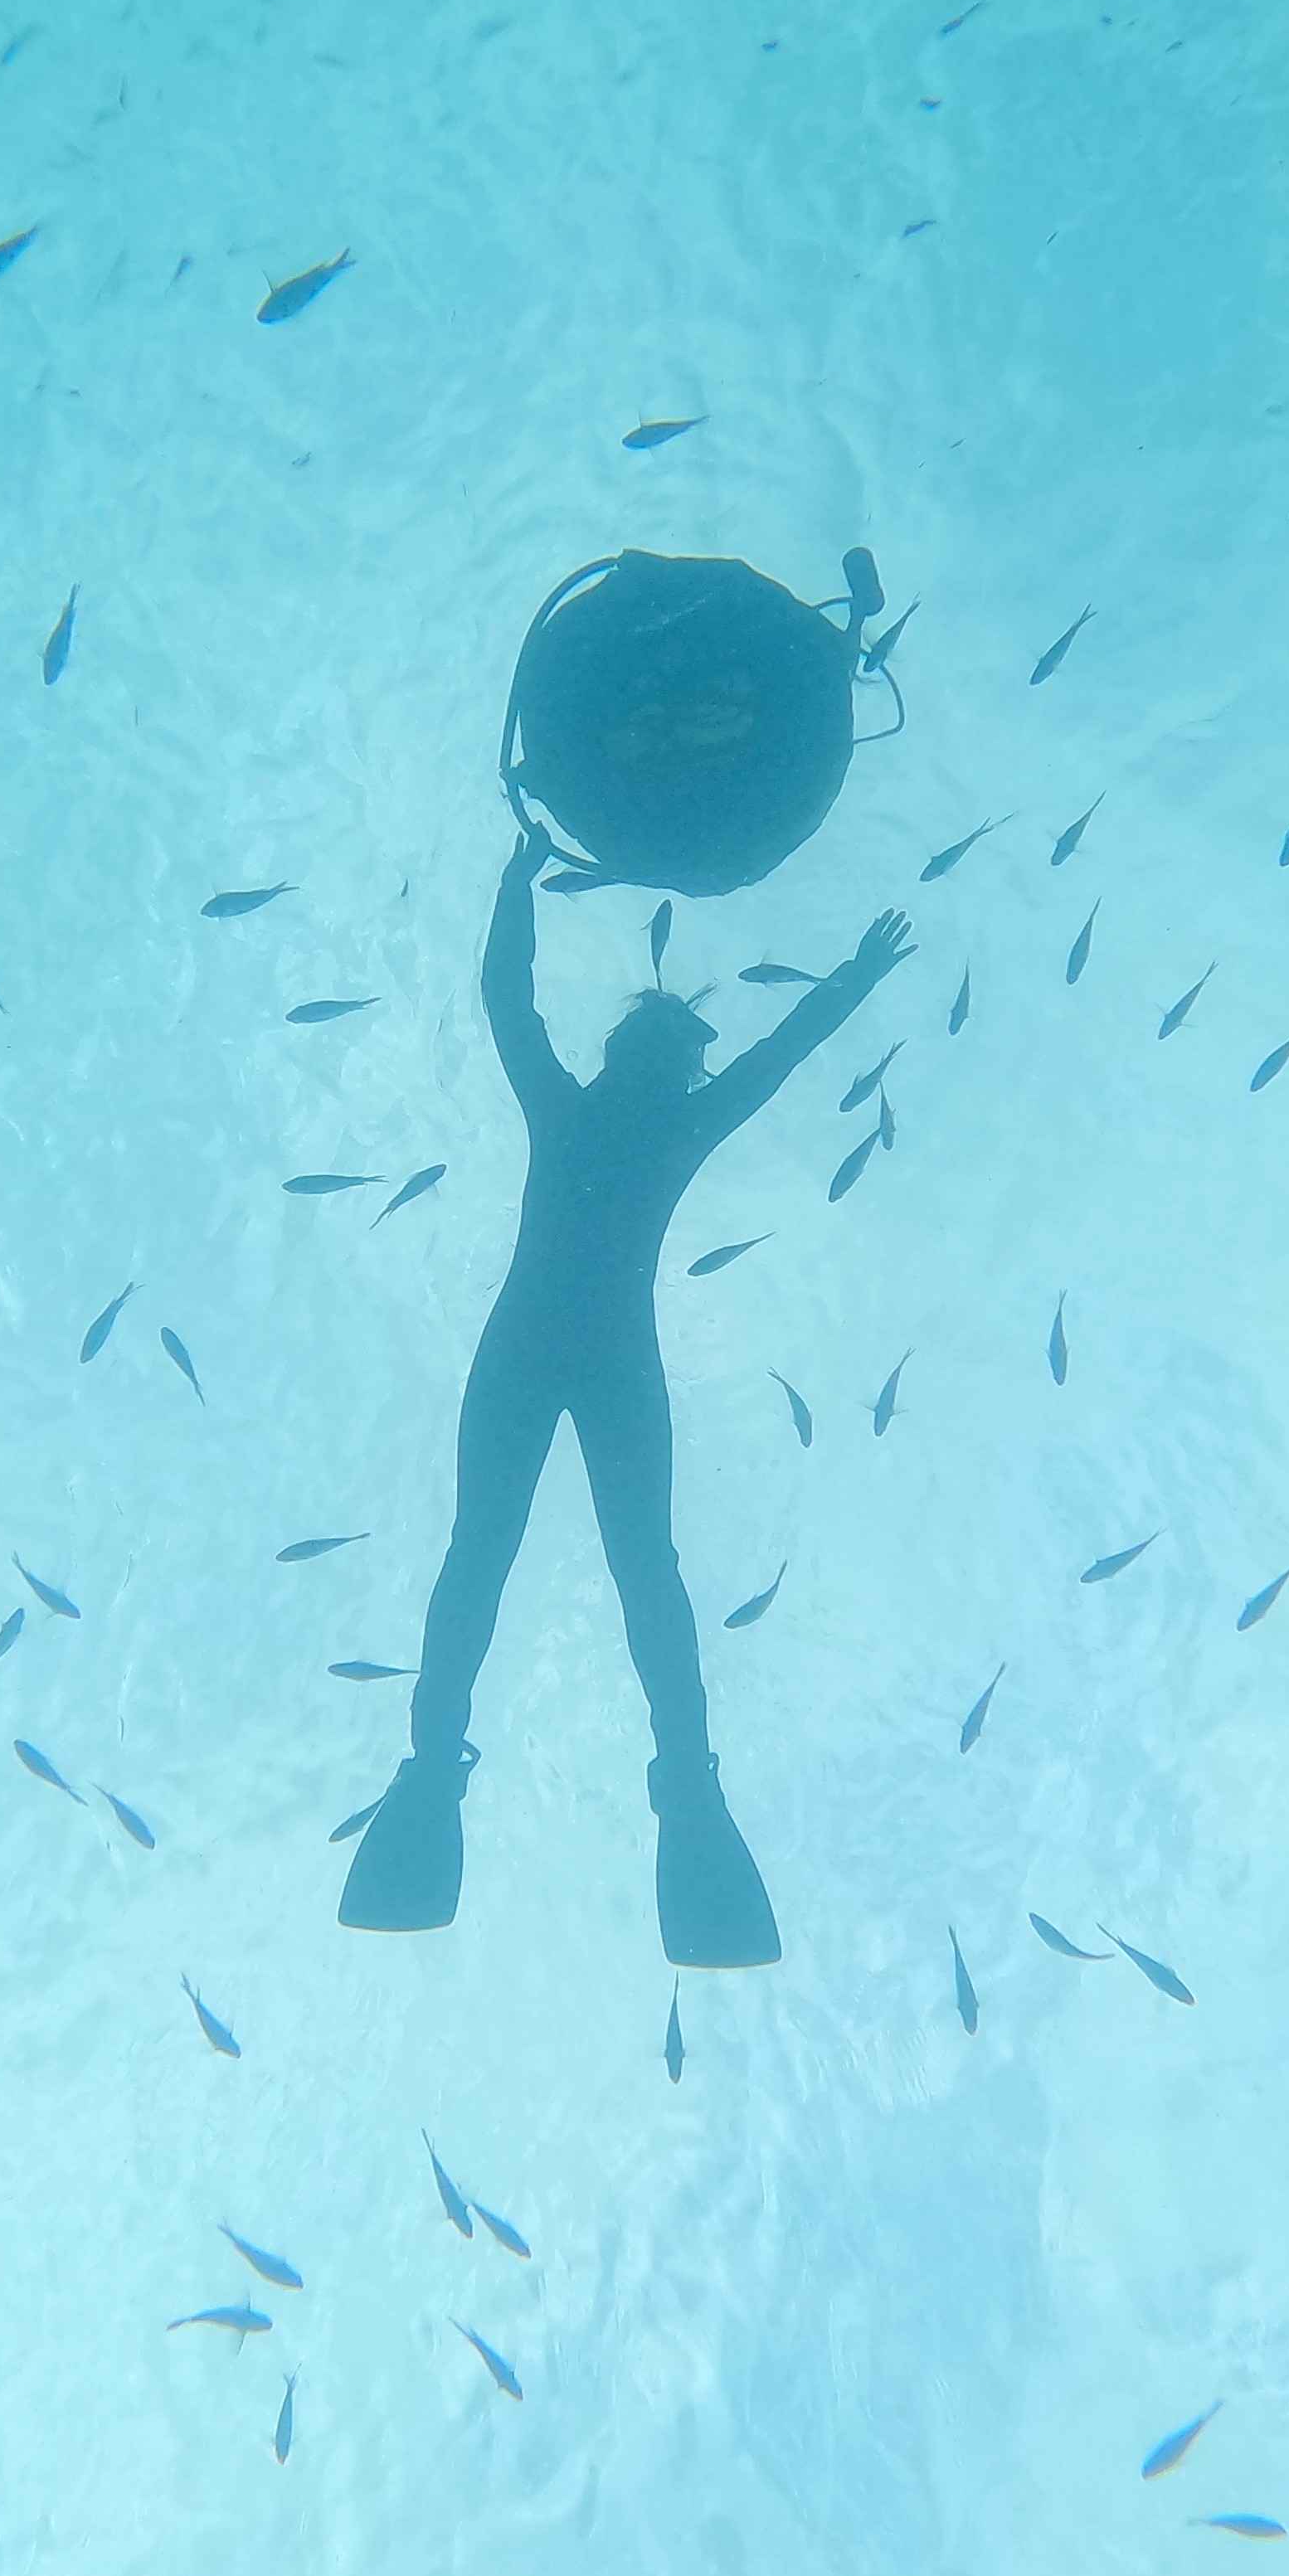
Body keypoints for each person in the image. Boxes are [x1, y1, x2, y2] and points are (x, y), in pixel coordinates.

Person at [343, 820, 912, 1965]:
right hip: (610, 1358)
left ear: (627, 1058)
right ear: (674, 1064)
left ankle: (438, 1765)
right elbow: (778, 1052)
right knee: (636, 1570)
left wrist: (515, 883)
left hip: (529, 1347)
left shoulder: (572, 1107)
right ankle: (682, 1782)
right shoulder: (677, 1120)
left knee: (484, 1556)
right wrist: (850, 980)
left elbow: (510, 1004)